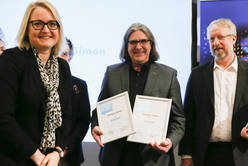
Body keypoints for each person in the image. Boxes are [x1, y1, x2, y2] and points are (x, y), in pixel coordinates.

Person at [91, 23, 185, 166]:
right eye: (133, 42)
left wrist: (169, 140)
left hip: (154, 157)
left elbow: (178, 119)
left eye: (143, 41)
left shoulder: (168, 75)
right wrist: (95, 125)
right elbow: (100, 111)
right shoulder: (112, 73)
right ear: (127, 46)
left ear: (151, 45)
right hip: (117, 157)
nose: (138, 46)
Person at [0, 0, 72, 165]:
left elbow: (67, 116)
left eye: (52, 24)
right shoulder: (10, 61)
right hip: (14, 158)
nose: (46, 30)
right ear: (27, 28)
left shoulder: (63, 67)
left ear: (59, 30)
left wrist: (57, 152)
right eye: (38, 24)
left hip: (51, 160)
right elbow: (3, 117)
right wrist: (36, 155)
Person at [179, 18, 248, 166]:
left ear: (233, 39)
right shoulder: (197, 75)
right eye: (211, 38)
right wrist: (186, 155)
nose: (215, 43)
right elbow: (189, 116)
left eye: (221, 37)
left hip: (243, 153)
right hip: (205, 155)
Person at [59, 38, 91, 166]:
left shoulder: (80, 85)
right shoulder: (34, 82)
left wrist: (65, 148)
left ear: (70, 59)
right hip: (38, 156)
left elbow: (83, 121)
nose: (60, 57)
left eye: (65, 54)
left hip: (69, 157)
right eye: (57, 52)